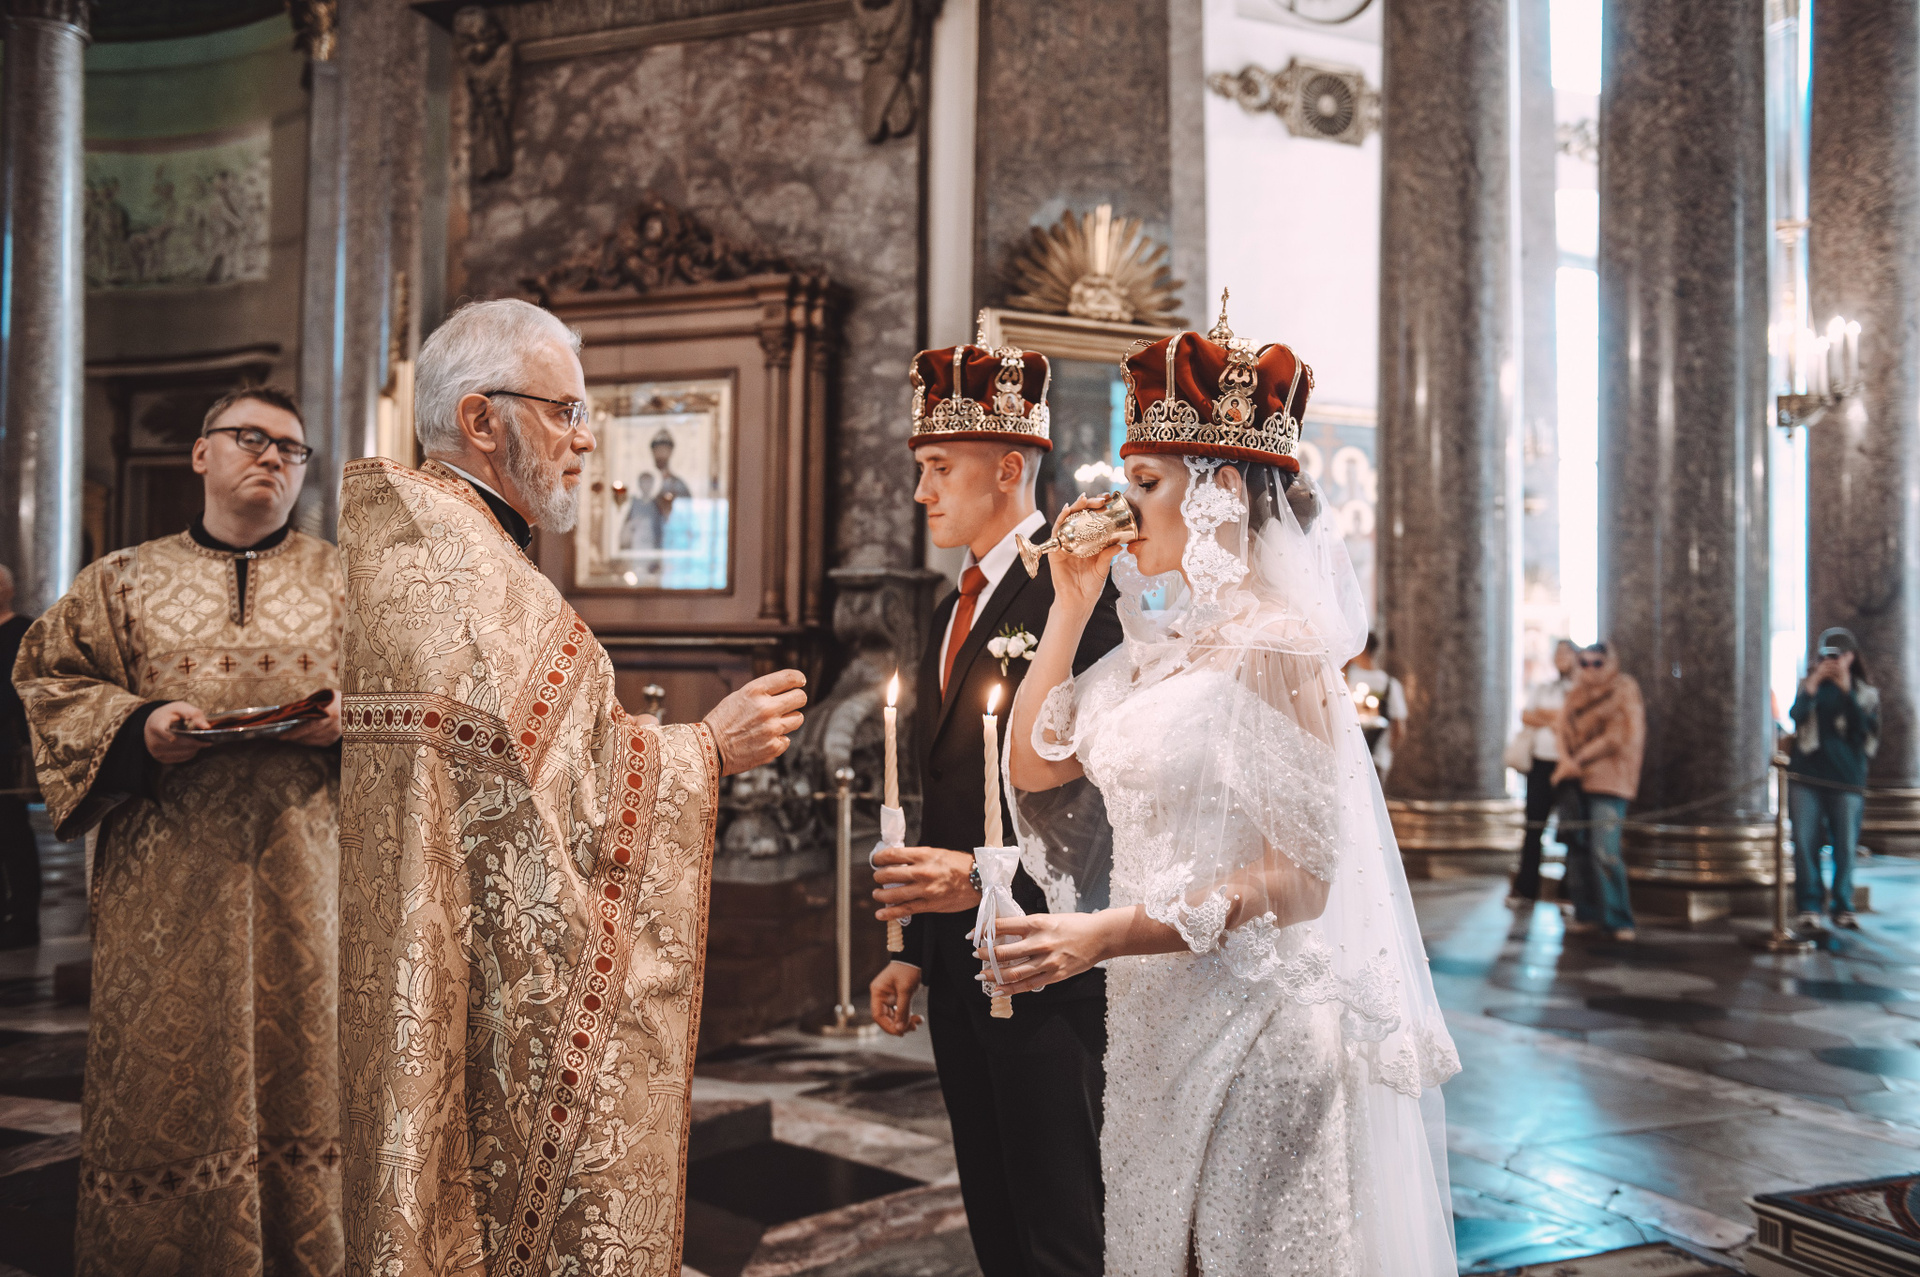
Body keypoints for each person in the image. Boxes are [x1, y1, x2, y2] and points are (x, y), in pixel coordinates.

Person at [336, 298, 807, 1274]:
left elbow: (533, 784)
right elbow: (566, 808)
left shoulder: (426, 545)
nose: (587, 438)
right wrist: (709, 750)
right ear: (480, 419)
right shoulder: (471, 574)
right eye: (565, 411)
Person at [997, 300, 1458, 1276]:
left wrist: (1107, 932)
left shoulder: (1276, 645)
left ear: (1220, 491)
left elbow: (1302, 880)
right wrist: (1071, 607)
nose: (1124, 511)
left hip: (1255, 1026)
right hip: (1150, 1021)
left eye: (1146, 484)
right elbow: (1034, 762)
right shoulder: (1155, 647)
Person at [15, 385, 346, 1275]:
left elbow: (418, 705)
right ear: (202, 453)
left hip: (309, 885)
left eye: (291, 448)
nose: (272, 457)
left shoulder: (349, 583)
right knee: (166, 1078)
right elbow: (49, 681)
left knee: (310, 1073)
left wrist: (348, 720)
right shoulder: (120, 580)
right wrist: (139, 725)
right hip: (165, 891)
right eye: (251, 438)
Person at [864, 332, 1123, 1277]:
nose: (922, 491)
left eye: (940, 467)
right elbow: (947, 797)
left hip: (1048, 962)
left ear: (1009, 467)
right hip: (961, 964)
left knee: (1062, 1228)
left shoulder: (1079, 598)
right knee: (994, 1215)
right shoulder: (953, 607)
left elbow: (1101, 808)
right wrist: (916, 951)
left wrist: (978, 880)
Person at [1551, 643, 1644, 942]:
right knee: (1577, 849)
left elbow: (1617, 736)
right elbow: (1560, 728)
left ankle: (1618, 919)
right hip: (1574, 779)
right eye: (1584, 663)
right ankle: (1587, 913)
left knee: (1605, 851)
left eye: (1597, 663)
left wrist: (1576, 760)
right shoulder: (1576, 692)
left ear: (1610, 663)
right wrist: (1565, 759)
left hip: (1609, 779)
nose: (1590, 669)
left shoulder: (1623, 688)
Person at [1788, 626, 1879, 931]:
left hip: (1846, 779)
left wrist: (1846, 691)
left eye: (1839, 655)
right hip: (1806, 776)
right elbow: (1796, 716)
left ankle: (1843, 905)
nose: (1832, 660)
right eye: (1827, 655)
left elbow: (1862, 732)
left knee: (1845, 846)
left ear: (1851, 657)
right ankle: (1809, 905)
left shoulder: (1865, 694)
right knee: (1804, 844)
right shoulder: (1809, 685)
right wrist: (1812, 685)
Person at [1511, 638, 1579, 905]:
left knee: (1571, 829)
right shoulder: (1544, 688)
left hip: (1567, 766)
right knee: (1534, 826)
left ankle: (1569, 891)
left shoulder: (1580, 690)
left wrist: (1548, 716)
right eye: (1557, 653)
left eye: (1566, 653)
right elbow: (1527, 715)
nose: (1561, 657)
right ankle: (1526, 888)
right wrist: (1555, 717)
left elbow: (1574, 720)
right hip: (1540, 764)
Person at [0, 564, 39, 950]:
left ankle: (25, 919)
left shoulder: (23, 630)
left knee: (12, 835)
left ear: (8, 590)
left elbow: (21, 687)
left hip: (6, 748)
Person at [1344, 631, 1406, 780]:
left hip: (1349, 755)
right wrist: (1387, 752)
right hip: (1379, 756)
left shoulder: (1346, 679)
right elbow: (1399, 729)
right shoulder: (1390, 684)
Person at [620, 427, 691, 555]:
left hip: (670, 546)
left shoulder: (677, 485)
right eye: (657, 451)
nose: (660, 455)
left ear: (670, 453)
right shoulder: (642, 489)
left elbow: (686, 518)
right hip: (644, 548)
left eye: (664, 451)